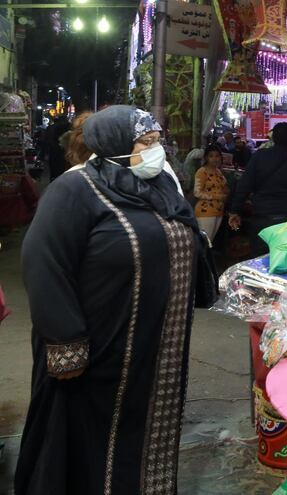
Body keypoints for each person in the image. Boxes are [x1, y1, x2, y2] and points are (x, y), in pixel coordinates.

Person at [15, 105, 201, 494]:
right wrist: (66, 341)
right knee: (86, 443)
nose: (156, 150)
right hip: (96, 351)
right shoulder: (75, 188)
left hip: (154, 350)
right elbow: (43, 261)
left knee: (146, 433)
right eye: (145, 142)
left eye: (157, 141)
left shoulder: (159, 184)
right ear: (114, 144)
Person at [228, 122, 287, 257]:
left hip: (263, 220)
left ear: (273, 138)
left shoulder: (259, 156)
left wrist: (235, 211)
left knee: (261, 262)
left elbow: (244, 185)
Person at [194, 145, 229, 243]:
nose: (215, 159)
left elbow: (224, 188)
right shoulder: (202, 172)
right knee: (205, 242)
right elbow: (197, 193)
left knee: (210, 242)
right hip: (206, 211)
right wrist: (217, 196)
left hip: (218, 210)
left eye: (217, 156)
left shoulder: (218, 171)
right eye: (211, 156)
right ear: (206, 158)